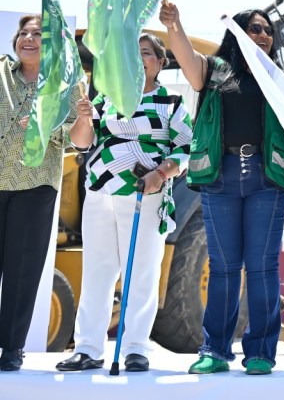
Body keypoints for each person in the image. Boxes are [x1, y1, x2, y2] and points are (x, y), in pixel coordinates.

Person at [159, 2, 284, 376]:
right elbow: (185, 55)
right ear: (238, 33)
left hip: (267, 177)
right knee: (224, 268)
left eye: (267, 31)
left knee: (262, 267)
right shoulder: (212, 71)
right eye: (254, 29)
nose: (263, 35)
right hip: (220, 176)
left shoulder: (282, 79)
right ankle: (214, 350)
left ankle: (260, 351)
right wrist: (174, 24)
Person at [55, 34, 192, 373]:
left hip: (146, 193)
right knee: (98, 271)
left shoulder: (171, 102)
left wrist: (160, 174)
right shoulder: (106, 99)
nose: (137, 59)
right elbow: (83, 143)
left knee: (142, 271)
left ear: (159, 63)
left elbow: (185, 148)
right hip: (101, 191)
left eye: (145, 53)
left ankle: (135, 348)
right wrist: (84, 117)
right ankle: (87, 348)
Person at [0, 14, 86, 372]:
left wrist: (83, 115)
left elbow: (82, 141)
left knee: (22, 270)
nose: (29, 38)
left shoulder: (63, 88)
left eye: (38, 34)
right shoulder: (1, 73)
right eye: (24, 33)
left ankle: (10, 348)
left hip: (34, 187)